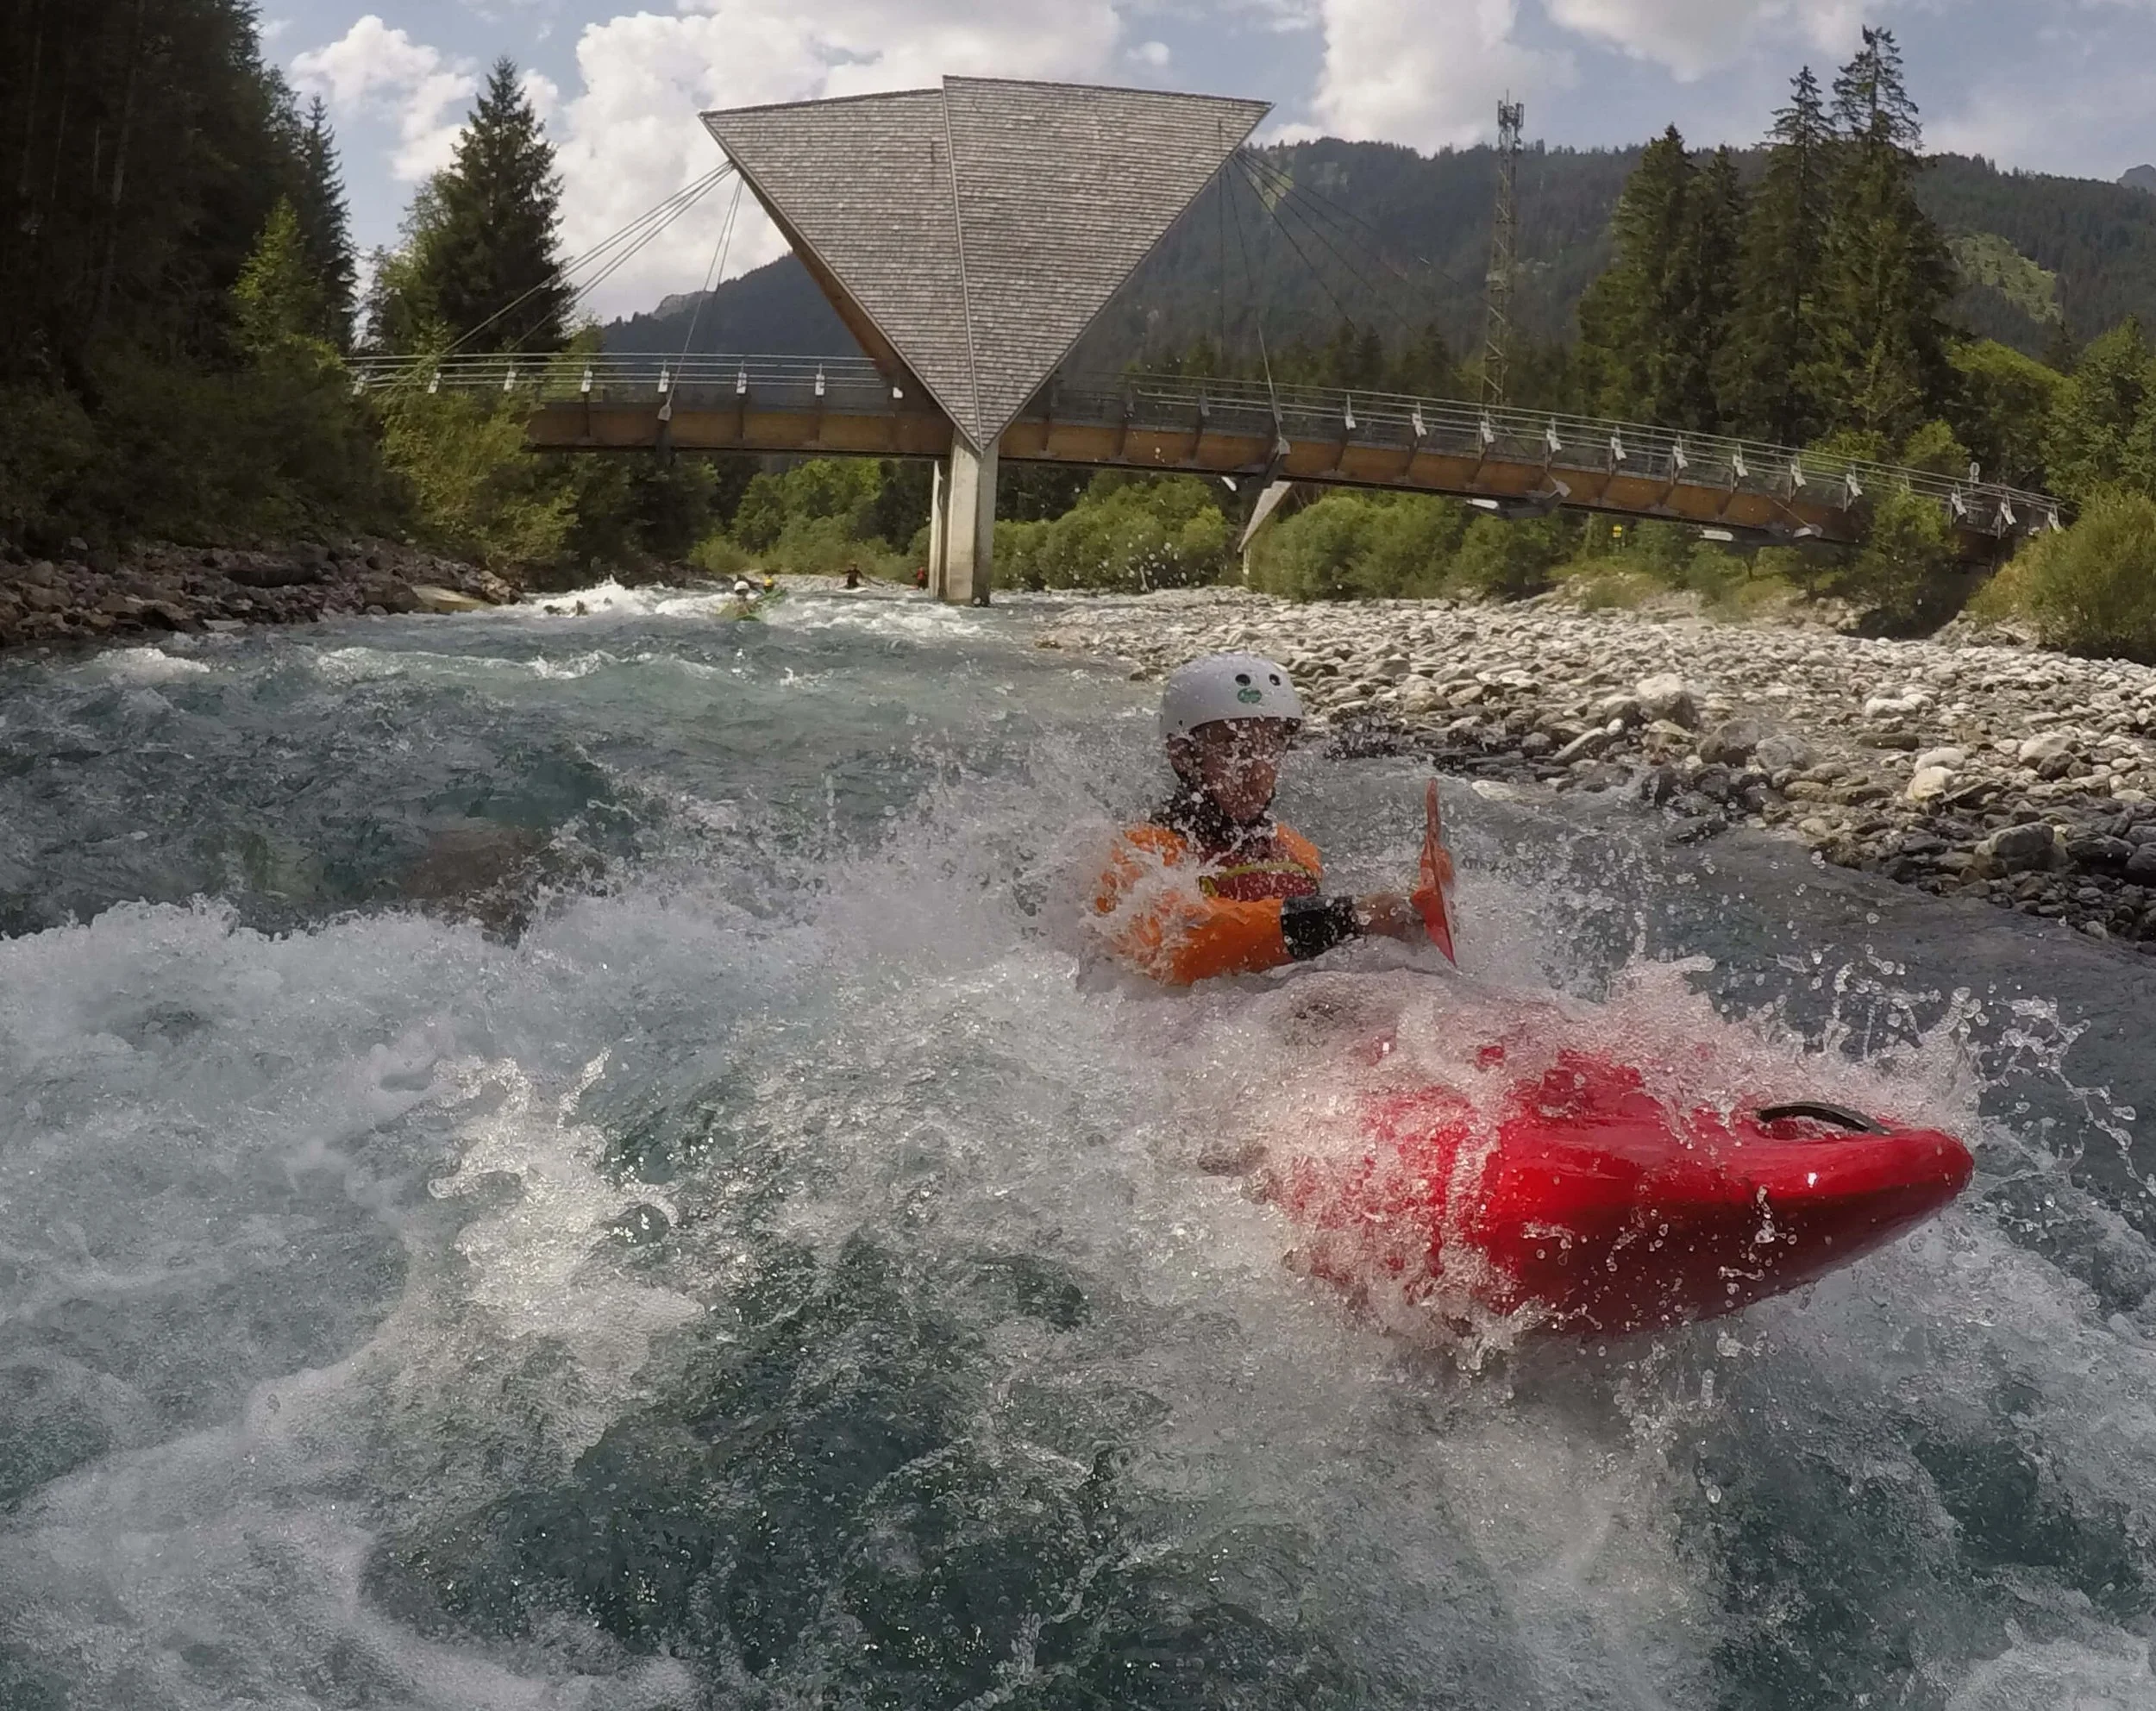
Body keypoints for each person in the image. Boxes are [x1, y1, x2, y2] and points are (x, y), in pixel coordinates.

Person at [1094, 653, 1420, 986]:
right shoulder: (1137, 854)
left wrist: (1403, 916)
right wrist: (1350, 916)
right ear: (1183, 755)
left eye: (1271, 746)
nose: (1258, 773)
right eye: (1233, 748)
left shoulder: (1294, 852)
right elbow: (1181, 943)